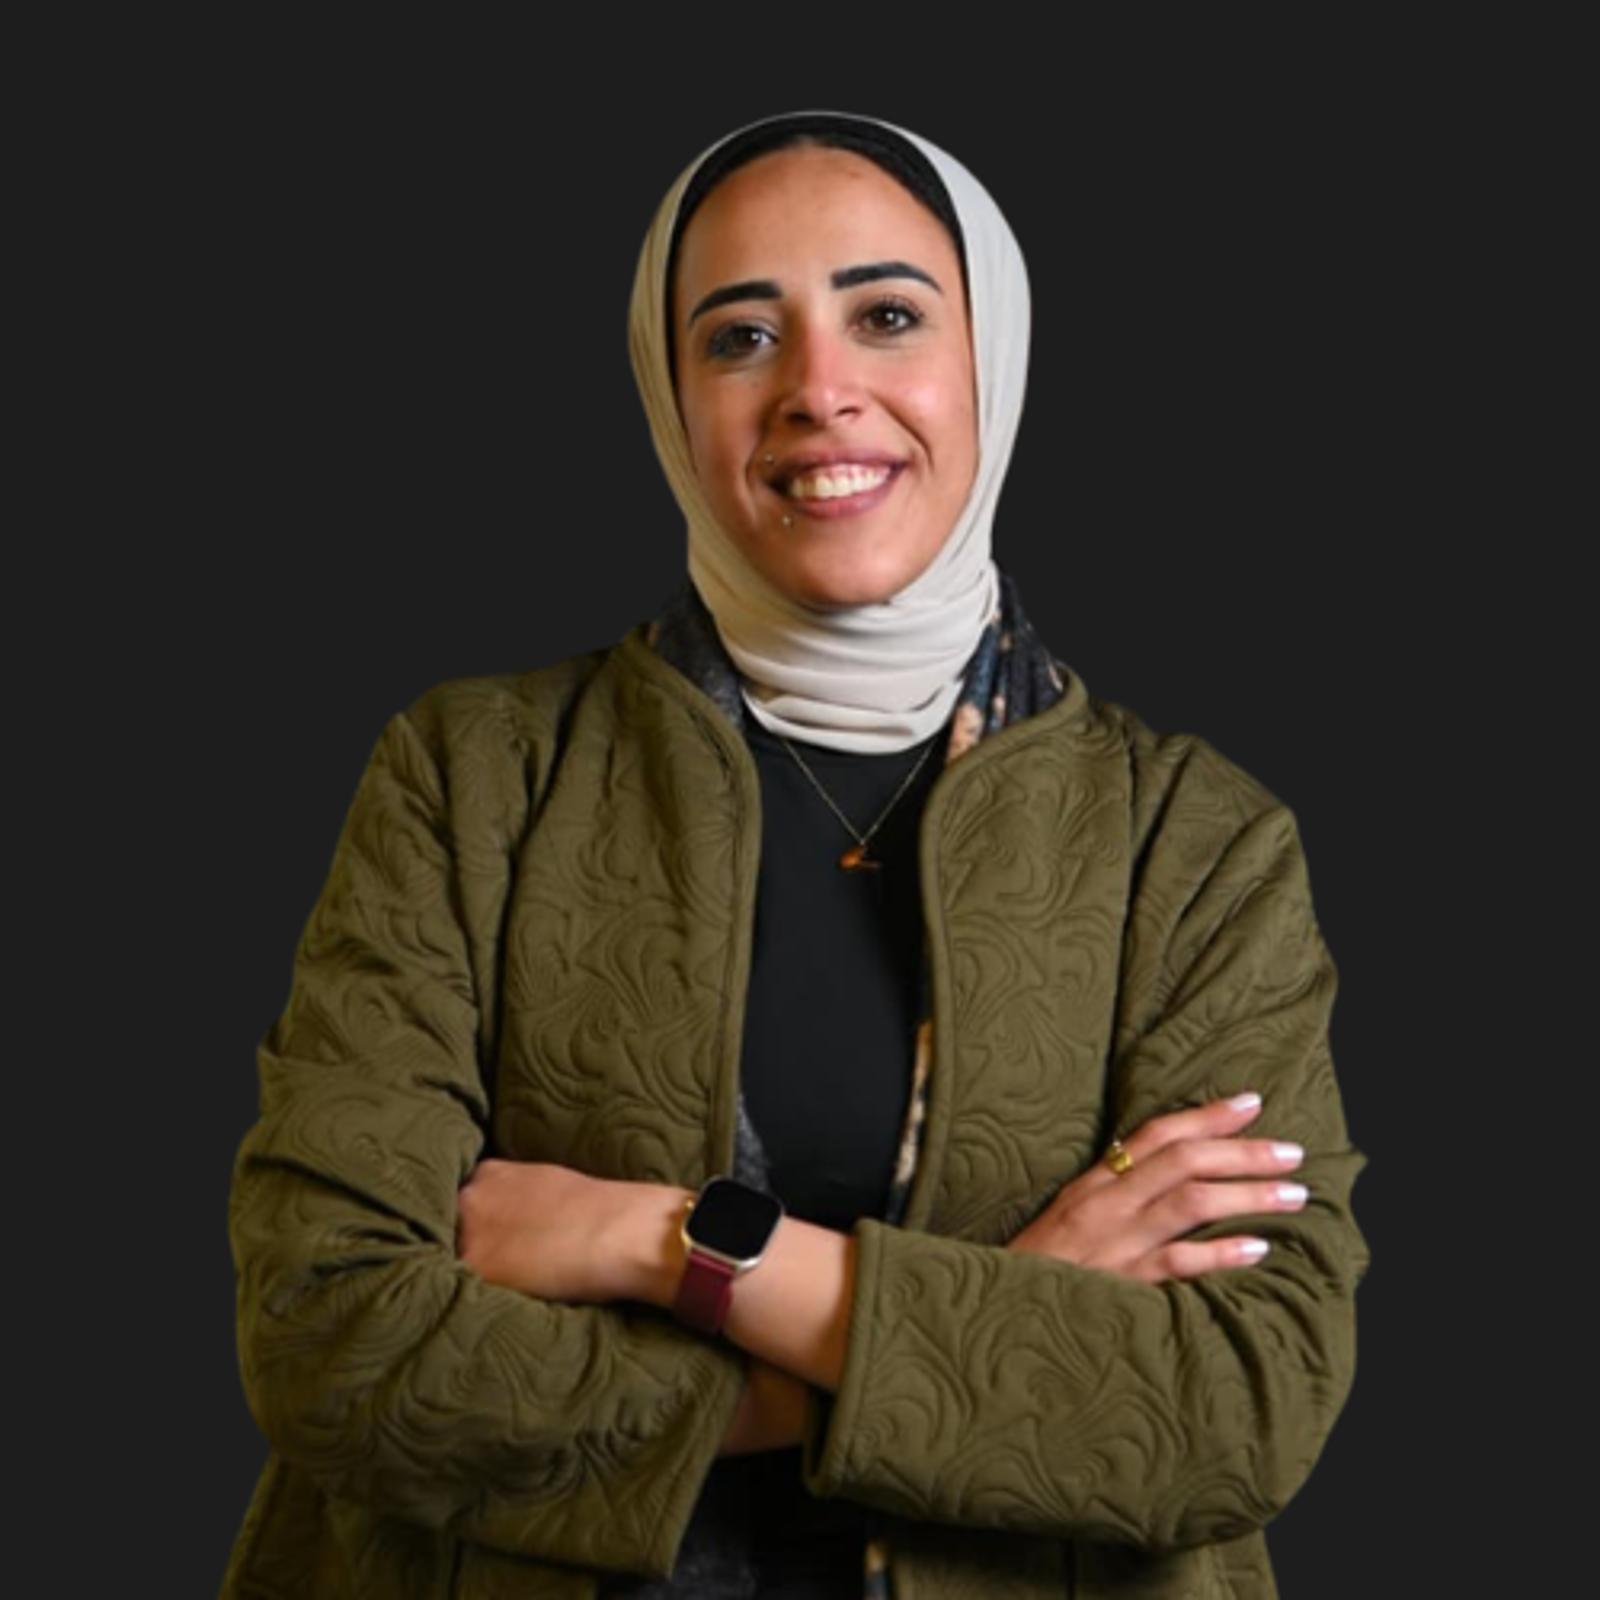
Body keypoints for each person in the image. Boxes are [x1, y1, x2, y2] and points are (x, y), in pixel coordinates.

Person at [222, 110, 1370, 1600]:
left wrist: (669, 1246)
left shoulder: (1196, 846)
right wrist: (1003, 1317)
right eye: (742, 338)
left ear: (992, 357)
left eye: (887, 316)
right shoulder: (474, 779)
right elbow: (333, 1342)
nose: (818, 392)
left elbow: (1237, 1401)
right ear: (669, 394)